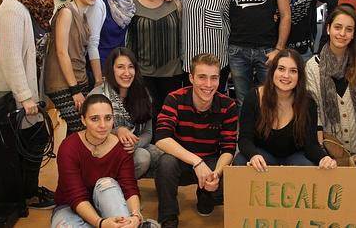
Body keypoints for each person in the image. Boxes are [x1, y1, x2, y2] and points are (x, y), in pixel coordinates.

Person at [0, 0, 55, 209]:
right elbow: (11, 57)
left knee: (33, 141)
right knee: (30, 141)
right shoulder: (13, 8)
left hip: (30, 88)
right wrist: (25, 96)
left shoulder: (39, 4)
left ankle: (26, 191)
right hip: (14, 91)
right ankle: (24, 194)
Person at [153, 54, 238, 228]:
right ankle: (168, 218)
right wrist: (196, 162)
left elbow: (228, 149)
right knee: (165, 163)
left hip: (211, 164)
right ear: (191, 78)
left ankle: (205, 196)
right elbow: (161, 138)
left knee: (224, 192)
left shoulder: (228, 105)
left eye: (214, 78)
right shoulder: (174, 99)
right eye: (202, 77)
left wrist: (216, 174)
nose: (208, 85)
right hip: (183, 161)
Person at [51, 94, 146, 228]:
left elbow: (129, 187)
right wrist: (100, 223)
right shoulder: (69, 147)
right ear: (83, 120)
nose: (102, 125)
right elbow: (75, 195)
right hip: (71, 207)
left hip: (109, 203)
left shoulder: (122, 147)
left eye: (108, 118)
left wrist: (136, 216)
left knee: (106, 184)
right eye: (94, 119)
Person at [233, 49, 337, 171]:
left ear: (299, 76)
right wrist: (253, 155)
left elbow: (311, 146)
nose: (286, 75)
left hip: (295, 157)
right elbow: (245, 139)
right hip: (263, 156)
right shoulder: (254, 97)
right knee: (241, 161)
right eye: (281, 69)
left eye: (293, 71)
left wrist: (324, 158)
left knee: (311, 167)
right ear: (273, 71)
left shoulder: (308, 103)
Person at [306, 5, 356, 155]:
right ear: (328, 29)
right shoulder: (313, 66)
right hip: (332, 151)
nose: (342, 34)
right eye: (338, 27)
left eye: (349, 29)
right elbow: (313, 109)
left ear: (354, 34)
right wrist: (321, 150)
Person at [127, 0, 184, 127]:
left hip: (172, 72)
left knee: (170, 117)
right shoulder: (132, 5)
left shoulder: (176, 5)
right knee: (149, 115)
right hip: (144, 73)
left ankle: (169, 150)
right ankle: (151, 150)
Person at [90, 47, 162, 179]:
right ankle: (114, 188)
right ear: (111, 69)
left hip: (134, 146)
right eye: (120, 67)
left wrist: (134, 144)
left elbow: (148, 133)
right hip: (103, 150)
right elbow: (90, 133)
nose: (127, 73)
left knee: (164, 156)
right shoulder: (98, 94)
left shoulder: (143, 93)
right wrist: (117, 131)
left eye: (131, 67)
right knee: (142, 157)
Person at [44, 0, 99, 135]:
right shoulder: (67, 12)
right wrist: (75, 90)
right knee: (80, 131)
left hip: (78, 78)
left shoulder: (82, 14)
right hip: (63, 83)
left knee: (84, 131)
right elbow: (61, 52)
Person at [177, 0, 231, 92]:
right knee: (191, 106)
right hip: (190, 62)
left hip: (218, 61)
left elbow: (230, 22)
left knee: (216, 106)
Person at [87, 0, 138, 86]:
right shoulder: (100, 2)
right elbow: (91, 43)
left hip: (117, 68)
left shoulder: (130, 6)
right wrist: (98, 78)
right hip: (98, 67)